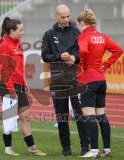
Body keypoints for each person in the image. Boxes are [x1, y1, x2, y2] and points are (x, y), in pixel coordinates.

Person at [41, 4, 89, 157]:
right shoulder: (48, 34)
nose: (67, 19)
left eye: (68, 16)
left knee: (80, 115)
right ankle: (66, 148)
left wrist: (75, 58)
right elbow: (44, 55)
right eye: (63, 17)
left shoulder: (77, 32)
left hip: (76, 79)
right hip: (58, 80)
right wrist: (59, 57)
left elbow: (84, 52)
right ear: (57, 17)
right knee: (62, 117)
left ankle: (85, 147)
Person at [0, 17, 46, 156]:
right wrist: (12, 90)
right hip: (8, 86)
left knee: (24, 117)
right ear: (12, 30)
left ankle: (32, 148)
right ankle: (8, 147)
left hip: (19, 85)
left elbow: (19, 68)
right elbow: (5, 71)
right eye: (20, 30)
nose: (23, 32)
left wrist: (24, 84)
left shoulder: (19, 44)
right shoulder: (4, 45)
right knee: (9, 118)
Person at [76, 9, 123, 158]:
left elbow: (82, 52)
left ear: (82, 23)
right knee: (101, 115)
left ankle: (94, 150)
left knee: (89, 115)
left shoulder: (84, 36)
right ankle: (107, 150)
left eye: (78, 24)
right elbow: (118, 50)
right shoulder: (101, 36)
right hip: (101, 80)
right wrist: (106, 65)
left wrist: (81, 67)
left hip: (88, 79)